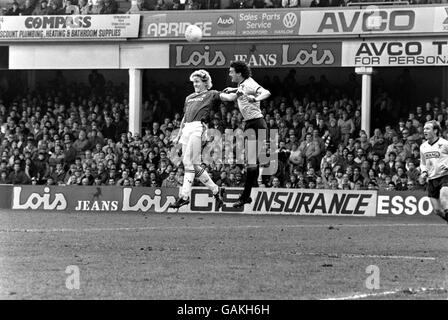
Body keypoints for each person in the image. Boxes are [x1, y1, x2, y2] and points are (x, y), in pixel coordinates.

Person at [169, 69, 232, 210]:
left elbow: (227, 97)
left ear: (205, 82)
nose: (195, 84)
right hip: (187, 128)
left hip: (198, 127)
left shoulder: (211, 94)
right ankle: (216, 190)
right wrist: (179, 134)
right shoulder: (189, 97)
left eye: (197, 82)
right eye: (193, 82)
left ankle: (184, 196)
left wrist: (238, 93)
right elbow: (185, 117)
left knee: (187, 161)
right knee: (194, 166)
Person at [222, 61, 271, 208]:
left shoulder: (249, 83)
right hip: (251, 124)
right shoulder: (242, 84)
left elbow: (266, 92)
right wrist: (229, 90)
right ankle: (247, 196)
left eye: (231, 72)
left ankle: (248, 194)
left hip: (257, 124)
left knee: (252, 164)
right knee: (250, 164)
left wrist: (255, 98)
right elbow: (235, 95)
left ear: (239, 73)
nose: (229, 74)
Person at [419, 120, 448, 223]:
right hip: (432, 179)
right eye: (424, 129)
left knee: (444, 199)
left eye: (427, 129)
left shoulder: (444, 143)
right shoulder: (423, 147)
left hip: (445, 176)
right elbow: (423, 163)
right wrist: (424, 172)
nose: (424, 131)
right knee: (437, 210)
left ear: (435, 131)